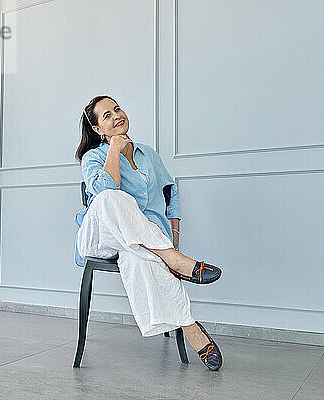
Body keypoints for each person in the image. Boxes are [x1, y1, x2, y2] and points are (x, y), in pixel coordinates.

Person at [73, 95, 223, 371]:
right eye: (107, 115)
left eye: (117, 109)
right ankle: (174, 259)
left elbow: (170, 193)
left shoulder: (149, 154)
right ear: (98, 130)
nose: (117, 115)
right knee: (110, 198)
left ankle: (190, 327)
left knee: (139, 256)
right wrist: (114, 151)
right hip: (101, 236)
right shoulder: (92, 158)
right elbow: (106, 188)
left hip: (142, 239)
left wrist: (174, 234)